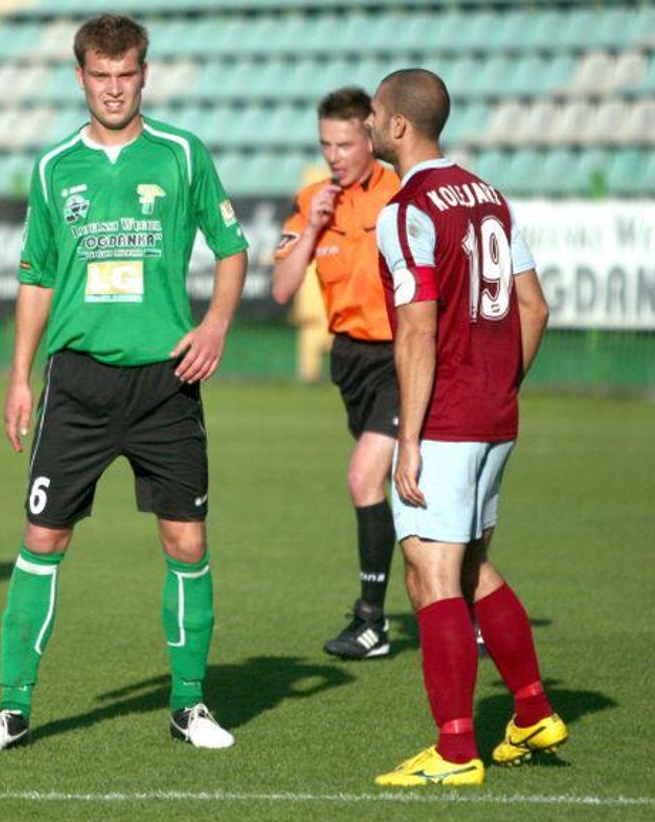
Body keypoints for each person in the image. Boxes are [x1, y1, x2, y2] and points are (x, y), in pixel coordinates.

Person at [0, 13, 249, 753]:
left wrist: (214, 323)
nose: (114, 89)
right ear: (81, 77)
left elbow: (232, 248)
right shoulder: (56, 166)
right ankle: (12, 708)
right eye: (100, 76)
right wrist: (19, 376)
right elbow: (36, 276)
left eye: (126, 76)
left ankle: (190, 704)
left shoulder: (183, 155)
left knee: (186, 540)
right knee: (41, 535)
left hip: (166, 382)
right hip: (77, 382)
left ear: (144, 75)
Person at [367, 68, 566, 787]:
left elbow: (416, 330)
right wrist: (500, 383)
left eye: (374, 114)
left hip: (446, 418)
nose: (367, 125)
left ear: (397, 127)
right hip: (495, 409)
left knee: (431, 572)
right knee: (473, 563)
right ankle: (534, 712)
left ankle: (455, 753)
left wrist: (411, 439)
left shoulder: (405, 208)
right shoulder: (488, 194)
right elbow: (535, 308)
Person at [271, 87, 401, 659]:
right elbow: (280, 289)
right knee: (410, 493)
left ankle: (371, 620)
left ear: (369, 138)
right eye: (326, 144)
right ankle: (464, 608)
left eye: (344, 143)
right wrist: (316, 229)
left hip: (403, 358)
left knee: (363, 479)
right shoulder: (311, 200)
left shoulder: (400, 194)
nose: (334, 155)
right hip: (350, 362)